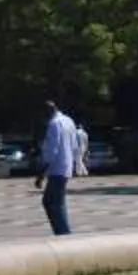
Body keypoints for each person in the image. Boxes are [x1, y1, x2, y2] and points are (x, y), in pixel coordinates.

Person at [38, 99, 81, 236]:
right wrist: (74, 164)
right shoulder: (68, 121)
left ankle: (63, 232)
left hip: (57, 168)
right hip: (66, 167)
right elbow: (75, 145)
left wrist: (41, 174)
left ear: (48, 111)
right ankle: (63, 231)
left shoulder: (54, 124)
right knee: (58, 201)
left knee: (50, 201)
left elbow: (52, 151)